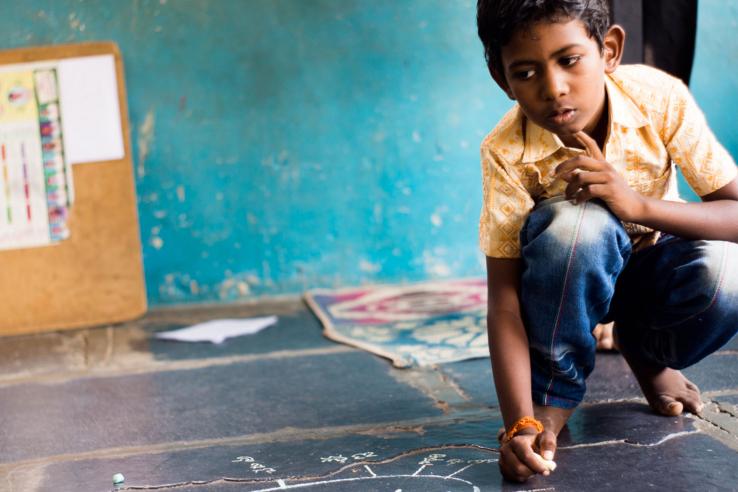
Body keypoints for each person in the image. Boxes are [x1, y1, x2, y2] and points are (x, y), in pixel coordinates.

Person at [476, 0, 738, 483]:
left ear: (610, 49)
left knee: (728, 270)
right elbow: (506, 303)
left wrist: (637, 205)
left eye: (569, 60)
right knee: (578, 227)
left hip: (647, 275)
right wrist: (520, 419)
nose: (553, 88)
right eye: (526, 72)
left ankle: (647, 351)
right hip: (564, 291)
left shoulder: (657, 97)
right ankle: (555, 393)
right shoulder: (507, 151)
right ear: (501, 78)